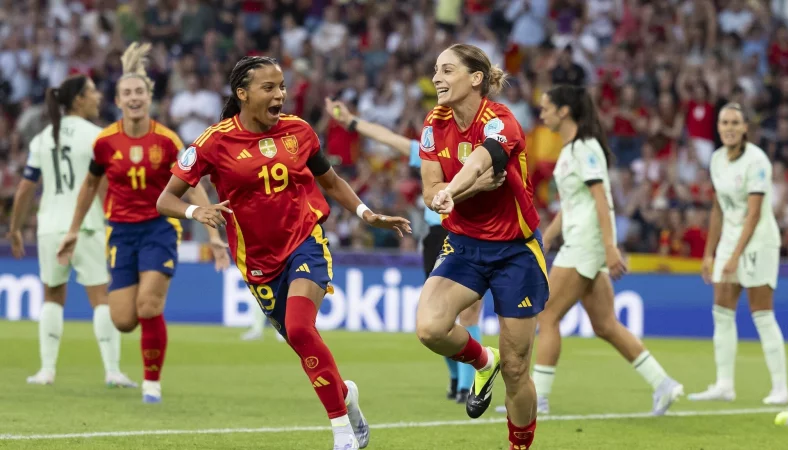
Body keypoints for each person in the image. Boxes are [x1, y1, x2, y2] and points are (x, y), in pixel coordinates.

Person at [156, 56, 411, 450]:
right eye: (269, 88)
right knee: (301, 341)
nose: (280, 95)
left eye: (282, 87)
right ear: (242, 94)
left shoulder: (300, 132)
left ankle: (342, 433)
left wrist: (366, 213)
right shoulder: (214, 142)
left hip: (304, 241)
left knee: (299, 328)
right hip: (257, 262)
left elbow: (331, 180)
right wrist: (196, 210)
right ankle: (346, 398)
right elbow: (165, 200)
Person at [56, 42, 229, 404]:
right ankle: (144, 354)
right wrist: (73, 230)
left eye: (139, 91)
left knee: (149, 306)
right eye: (127, 93)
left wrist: (213, 235)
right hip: (120, 231)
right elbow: (89, 185)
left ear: (149, 96)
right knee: (123, 319)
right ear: (117, 101)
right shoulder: (104, 142)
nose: (133, 97)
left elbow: (192, 187)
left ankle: (152, 383)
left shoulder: (166, 141)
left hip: (159, 228)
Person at [415, 43, 545, 450]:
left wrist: (452, 191)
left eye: (447, 70)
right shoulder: (433, 124)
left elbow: (480, 164)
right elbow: (429, 190)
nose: (437, 77)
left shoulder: (502, 120)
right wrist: (445, 195)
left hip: (515, 251)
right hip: (465, 243)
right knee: (430, 328)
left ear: (475, 78)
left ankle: (519, 445)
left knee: (518, 368)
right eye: (436, 69)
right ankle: (481, 361)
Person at [322, 97, 494, 403]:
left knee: (468, 312)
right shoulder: (432, 147)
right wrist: (351, 122)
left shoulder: (481, 148)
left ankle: (467, 385)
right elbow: (388, 138)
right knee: (439, 316)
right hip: (438, 234)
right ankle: (458, 379)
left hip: (469, 232)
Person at [529, 84, 683, 416]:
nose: (542, 114)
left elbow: (602, 200)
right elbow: (572, 205)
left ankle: (537, 399)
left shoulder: (585, 148)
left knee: (548, 314)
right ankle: (663, 383)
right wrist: (545, 238)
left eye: (546, 107)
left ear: (564, 111)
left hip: (588, 242)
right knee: (605, 324)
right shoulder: (570, 151)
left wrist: (611, 247)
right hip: (583, 240)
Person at [7, 75, 136, 388]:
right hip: (86, 226)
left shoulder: (43, 138)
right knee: (101, 297)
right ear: (78, 99)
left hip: (50, 226)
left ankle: (46, 370)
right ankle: (112, 371)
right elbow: (104, 184)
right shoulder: (98, 136)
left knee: (52, 295)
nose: (97, 97)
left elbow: (26, 188)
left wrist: (14, 228)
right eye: (92, 92)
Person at [689, 103, 788, 405]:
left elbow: (755, 214)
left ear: (745, 127)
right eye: (724, 122)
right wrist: (710, 253)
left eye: (735, 122)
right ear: (718, 127)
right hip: (730, 243)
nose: (729, 127)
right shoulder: (717, 159)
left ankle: (780, 389)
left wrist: (733, 255)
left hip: (758, 243)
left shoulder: (757, 160)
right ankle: (724, 385)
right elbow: (718, 209)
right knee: (721, 312)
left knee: (762, 314)